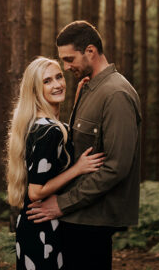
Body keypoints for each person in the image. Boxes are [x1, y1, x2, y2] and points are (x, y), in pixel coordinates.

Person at [27, 21, 142, 270]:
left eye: (69, 59)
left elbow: (116, 167)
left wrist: (62, 203)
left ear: (90, 51)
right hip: (78, 217)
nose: (66, 67)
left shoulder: (116, 94)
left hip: (93, 219)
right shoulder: (90, 87)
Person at [7, 56, 106, 270]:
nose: (58, 84)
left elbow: (63, 137)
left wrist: (79, 99)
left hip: (32, 226)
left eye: (59, 77)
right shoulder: (49, 132)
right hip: (42, 229)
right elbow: (36, 191)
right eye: (47, 81)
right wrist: (78, 169)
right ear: (35, 90)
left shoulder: (38, 124)